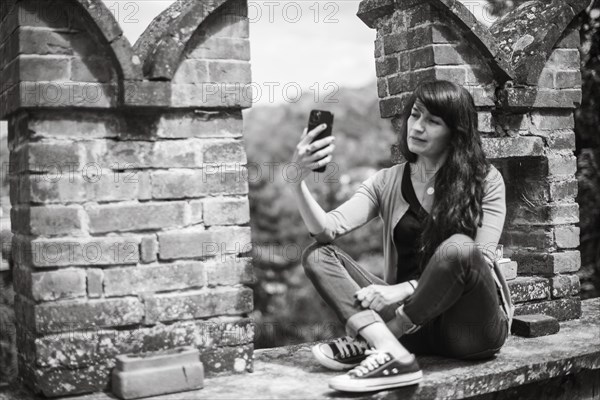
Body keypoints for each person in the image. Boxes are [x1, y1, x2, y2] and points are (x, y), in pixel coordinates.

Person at [290, 80, 514, 393]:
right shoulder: (387, 181)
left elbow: (484, 260)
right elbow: (327, 228)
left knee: (459, 249)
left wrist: (405, 289)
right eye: (415, 115)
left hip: (469, 329)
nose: (418, 127)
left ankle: (375, 339)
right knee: (317, 253)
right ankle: (390, 350)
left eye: (433, 121)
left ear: (456, 131)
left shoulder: (486, 180)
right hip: (412, 332)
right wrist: (297, 180)